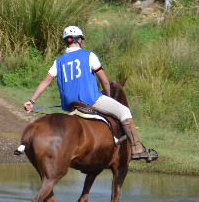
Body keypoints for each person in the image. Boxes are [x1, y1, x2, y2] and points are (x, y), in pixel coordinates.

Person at [23, 25, 156, 161]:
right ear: (79, 39)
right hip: (91, 100)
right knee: (124, 111)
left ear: (66, 41)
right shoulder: (89, 55)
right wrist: (109, 98)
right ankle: (137, 148)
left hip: (71, 104)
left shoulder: (59, 61)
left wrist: (31, 101)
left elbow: (45, 82)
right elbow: (104, 81)